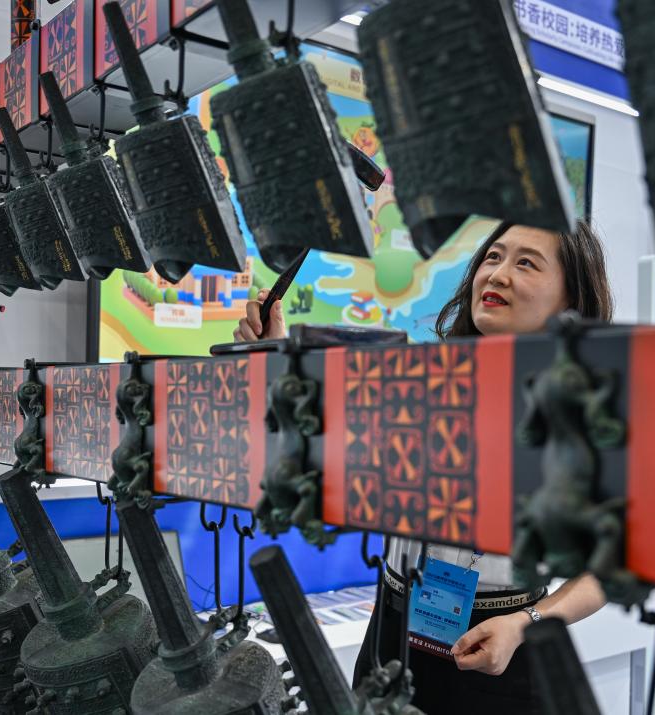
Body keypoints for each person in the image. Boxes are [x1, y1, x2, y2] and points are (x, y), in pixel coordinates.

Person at [234, 220, 614, 714]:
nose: (497, 274)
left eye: (526, 263)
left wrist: (526, 624)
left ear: (570, 300)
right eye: (493, 256)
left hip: (498, 647)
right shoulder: (419, 384)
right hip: (390, 636)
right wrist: (273, 353)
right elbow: (313, 446)